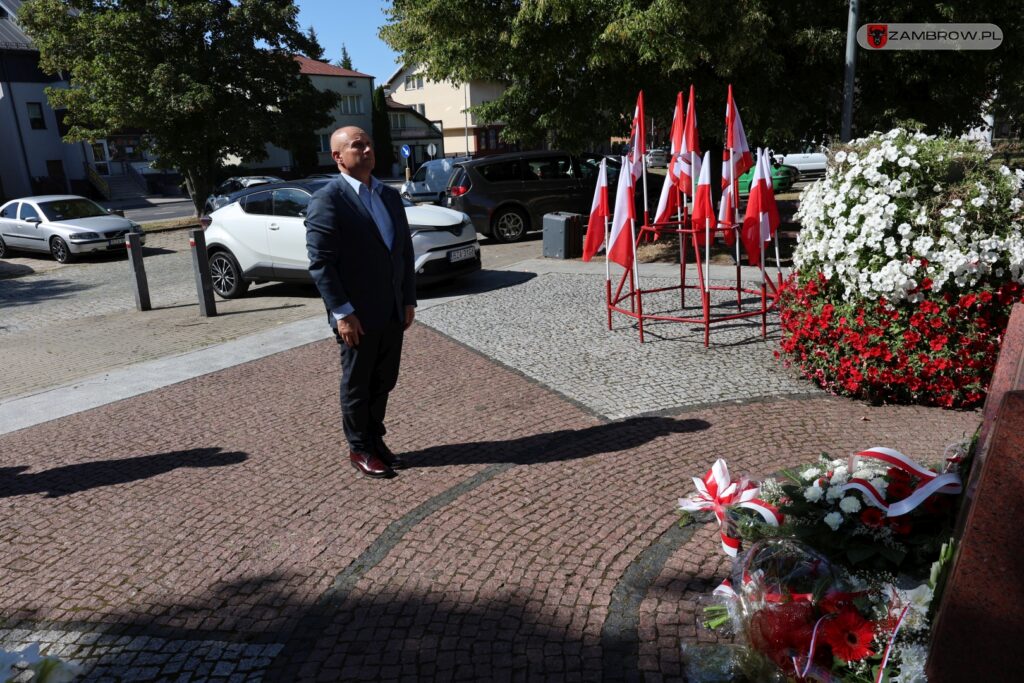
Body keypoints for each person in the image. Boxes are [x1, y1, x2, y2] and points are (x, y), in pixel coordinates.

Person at [305, 126, 416, 479]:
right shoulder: (328, 199)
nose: (367, 149)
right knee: (358, 383)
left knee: (384, 380)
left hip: (392, 310)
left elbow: (403, 252)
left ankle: (375, 438)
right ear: (338, 156)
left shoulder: (388, 195)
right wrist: (342, 313)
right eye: (357, 146)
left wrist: (408, 299)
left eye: (369, 143)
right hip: (356, 316)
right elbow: (322, 264)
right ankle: (360, 448)